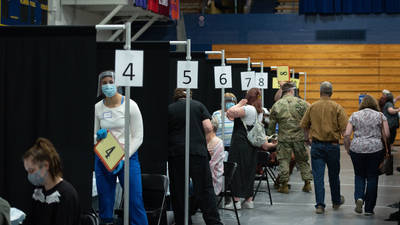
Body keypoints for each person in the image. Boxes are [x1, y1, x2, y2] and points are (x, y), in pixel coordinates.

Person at [94, 70, 148, 225]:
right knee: (105, 201)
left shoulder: (131, 105)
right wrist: (99, 137)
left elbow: (138, 136)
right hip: (104, 158)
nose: (108, 85)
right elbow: (93, 135)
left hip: (128, 158)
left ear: (117, 84)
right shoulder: (98, 107)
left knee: (134, 200)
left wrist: (123, 157)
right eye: (104, 83)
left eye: (111, 82)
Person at [168, 88, 223, 225]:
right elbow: (209, 127)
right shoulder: (198, 106)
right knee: (205, 189)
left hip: (177, 153)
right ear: (190, 95)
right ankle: (213, 222)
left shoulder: (170, 108)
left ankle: (183, 221)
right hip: (198, 152)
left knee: (178, 190)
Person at [226, 88, 277, 210]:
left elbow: (230, 113)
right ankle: (249, 200)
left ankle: (236, 201)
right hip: (252, 146)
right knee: (249, 172)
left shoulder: (248, 109)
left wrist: (239, 103)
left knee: (237, 171)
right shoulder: (260, 112)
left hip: (240, 144)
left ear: (248, 97)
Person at [300, 81, 347, 214]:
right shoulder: (337, 107)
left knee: (318, 176)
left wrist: (306, 138)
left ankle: (320, 205)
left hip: (316, 145)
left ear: (320, 92)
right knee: (334, 175)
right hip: (333, 146)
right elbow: (345, 129)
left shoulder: (313, 106)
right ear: (331, 93)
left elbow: (304, 125)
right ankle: (336, 201)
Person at [344, 95, 389, 215]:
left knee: (359, 175)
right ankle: (369, 209)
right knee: (372, 177)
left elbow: (347, 134)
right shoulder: (380, 115)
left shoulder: (355, 115)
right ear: (374, 104)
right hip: (375, 149)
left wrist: (348, 148)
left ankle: (359, 198)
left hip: (357, 148)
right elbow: (387, 134)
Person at [22, 138, 80, 225]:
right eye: (27, 171)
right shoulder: (39, 192)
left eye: (31, 170)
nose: (29, 175)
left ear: (46, 165)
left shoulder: (66, 195)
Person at [267, 82, 313, 194]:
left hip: (284, 139)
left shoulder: (277, 105)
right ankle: (307, 183)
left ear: (283, 92)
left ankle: (284, 185)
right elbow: (310, 118)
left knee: (284, 161)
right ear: (292, 91)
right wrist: (308, 134)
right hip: (299, 137)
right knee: (303, 160)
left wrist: (272, 137)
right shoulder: (302, 103)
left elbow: (271, 125)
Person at [207, 116, 225, 196]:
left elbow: (210, 166)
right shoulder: (204, 141)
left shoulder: (218, 143)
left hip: (213, 180)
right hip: (204, 177)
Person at [379, 90, 400, 155]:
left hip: (388, 124)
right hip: (390, 124)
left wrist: (396, 99)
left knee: (388, 139)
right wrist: (398, 109)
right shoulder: (389, 104)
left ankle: (388, 150)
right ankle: (388, 151)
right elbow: (390, 111)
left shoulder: (387, 103)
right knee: (390, 138)